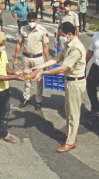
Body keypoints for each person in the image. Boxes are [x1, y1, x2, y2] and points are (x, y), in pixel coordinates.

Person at [32, 22, 87, 152]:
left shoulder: (76, 48)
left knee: (73, 113)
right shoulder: (68, 44)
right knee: (68, 110)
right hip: (69, 81)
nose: (60, 37)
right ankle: (70, 134)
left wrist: (43, 73)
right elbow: (58, 58)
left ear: (69, 34)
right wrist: (41, 66)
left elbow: (63, 68)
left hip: (76, 82)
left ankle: (71, 141)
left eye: (61, 35)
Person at [13, 12, 50, 110]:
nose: (31, 23)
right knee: (27, 79)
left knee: (38, 80)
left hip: (38, 59)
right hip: (26, 58)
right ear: (27, 20)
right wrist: (16, 58)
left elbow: (45, 47)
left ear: (36, 20)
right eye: (30, 21)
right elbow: (18, 44)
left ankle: (38, 101)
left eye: (33, 21)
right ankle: (26, 98)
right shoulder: (23, 30)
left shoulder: (42, 30)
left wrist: (48, 61)